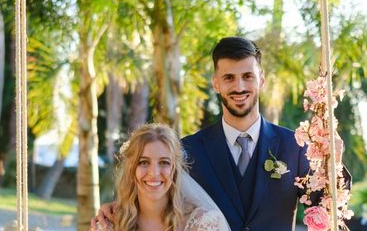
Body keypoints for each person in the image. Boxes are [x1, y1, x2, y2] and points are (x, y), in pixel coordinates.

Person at [94, 37, 345, 231]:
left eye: (248, 76)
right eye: (229, 78)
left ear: (262, 80)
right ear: (216, 83)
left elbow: (325, 209)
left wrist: (333, 162)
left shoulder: (296, 145)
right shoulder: (187, 149)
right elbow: (155, 198)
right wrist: (114, 209)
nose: (239, 86)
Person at [95, 123, 230, 231]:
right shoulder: (109, 225)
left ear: (175, 170)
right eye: (143, 162)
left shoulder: (205, 224)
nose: (154, 173)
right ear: (131, 169)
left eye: (164, 162)